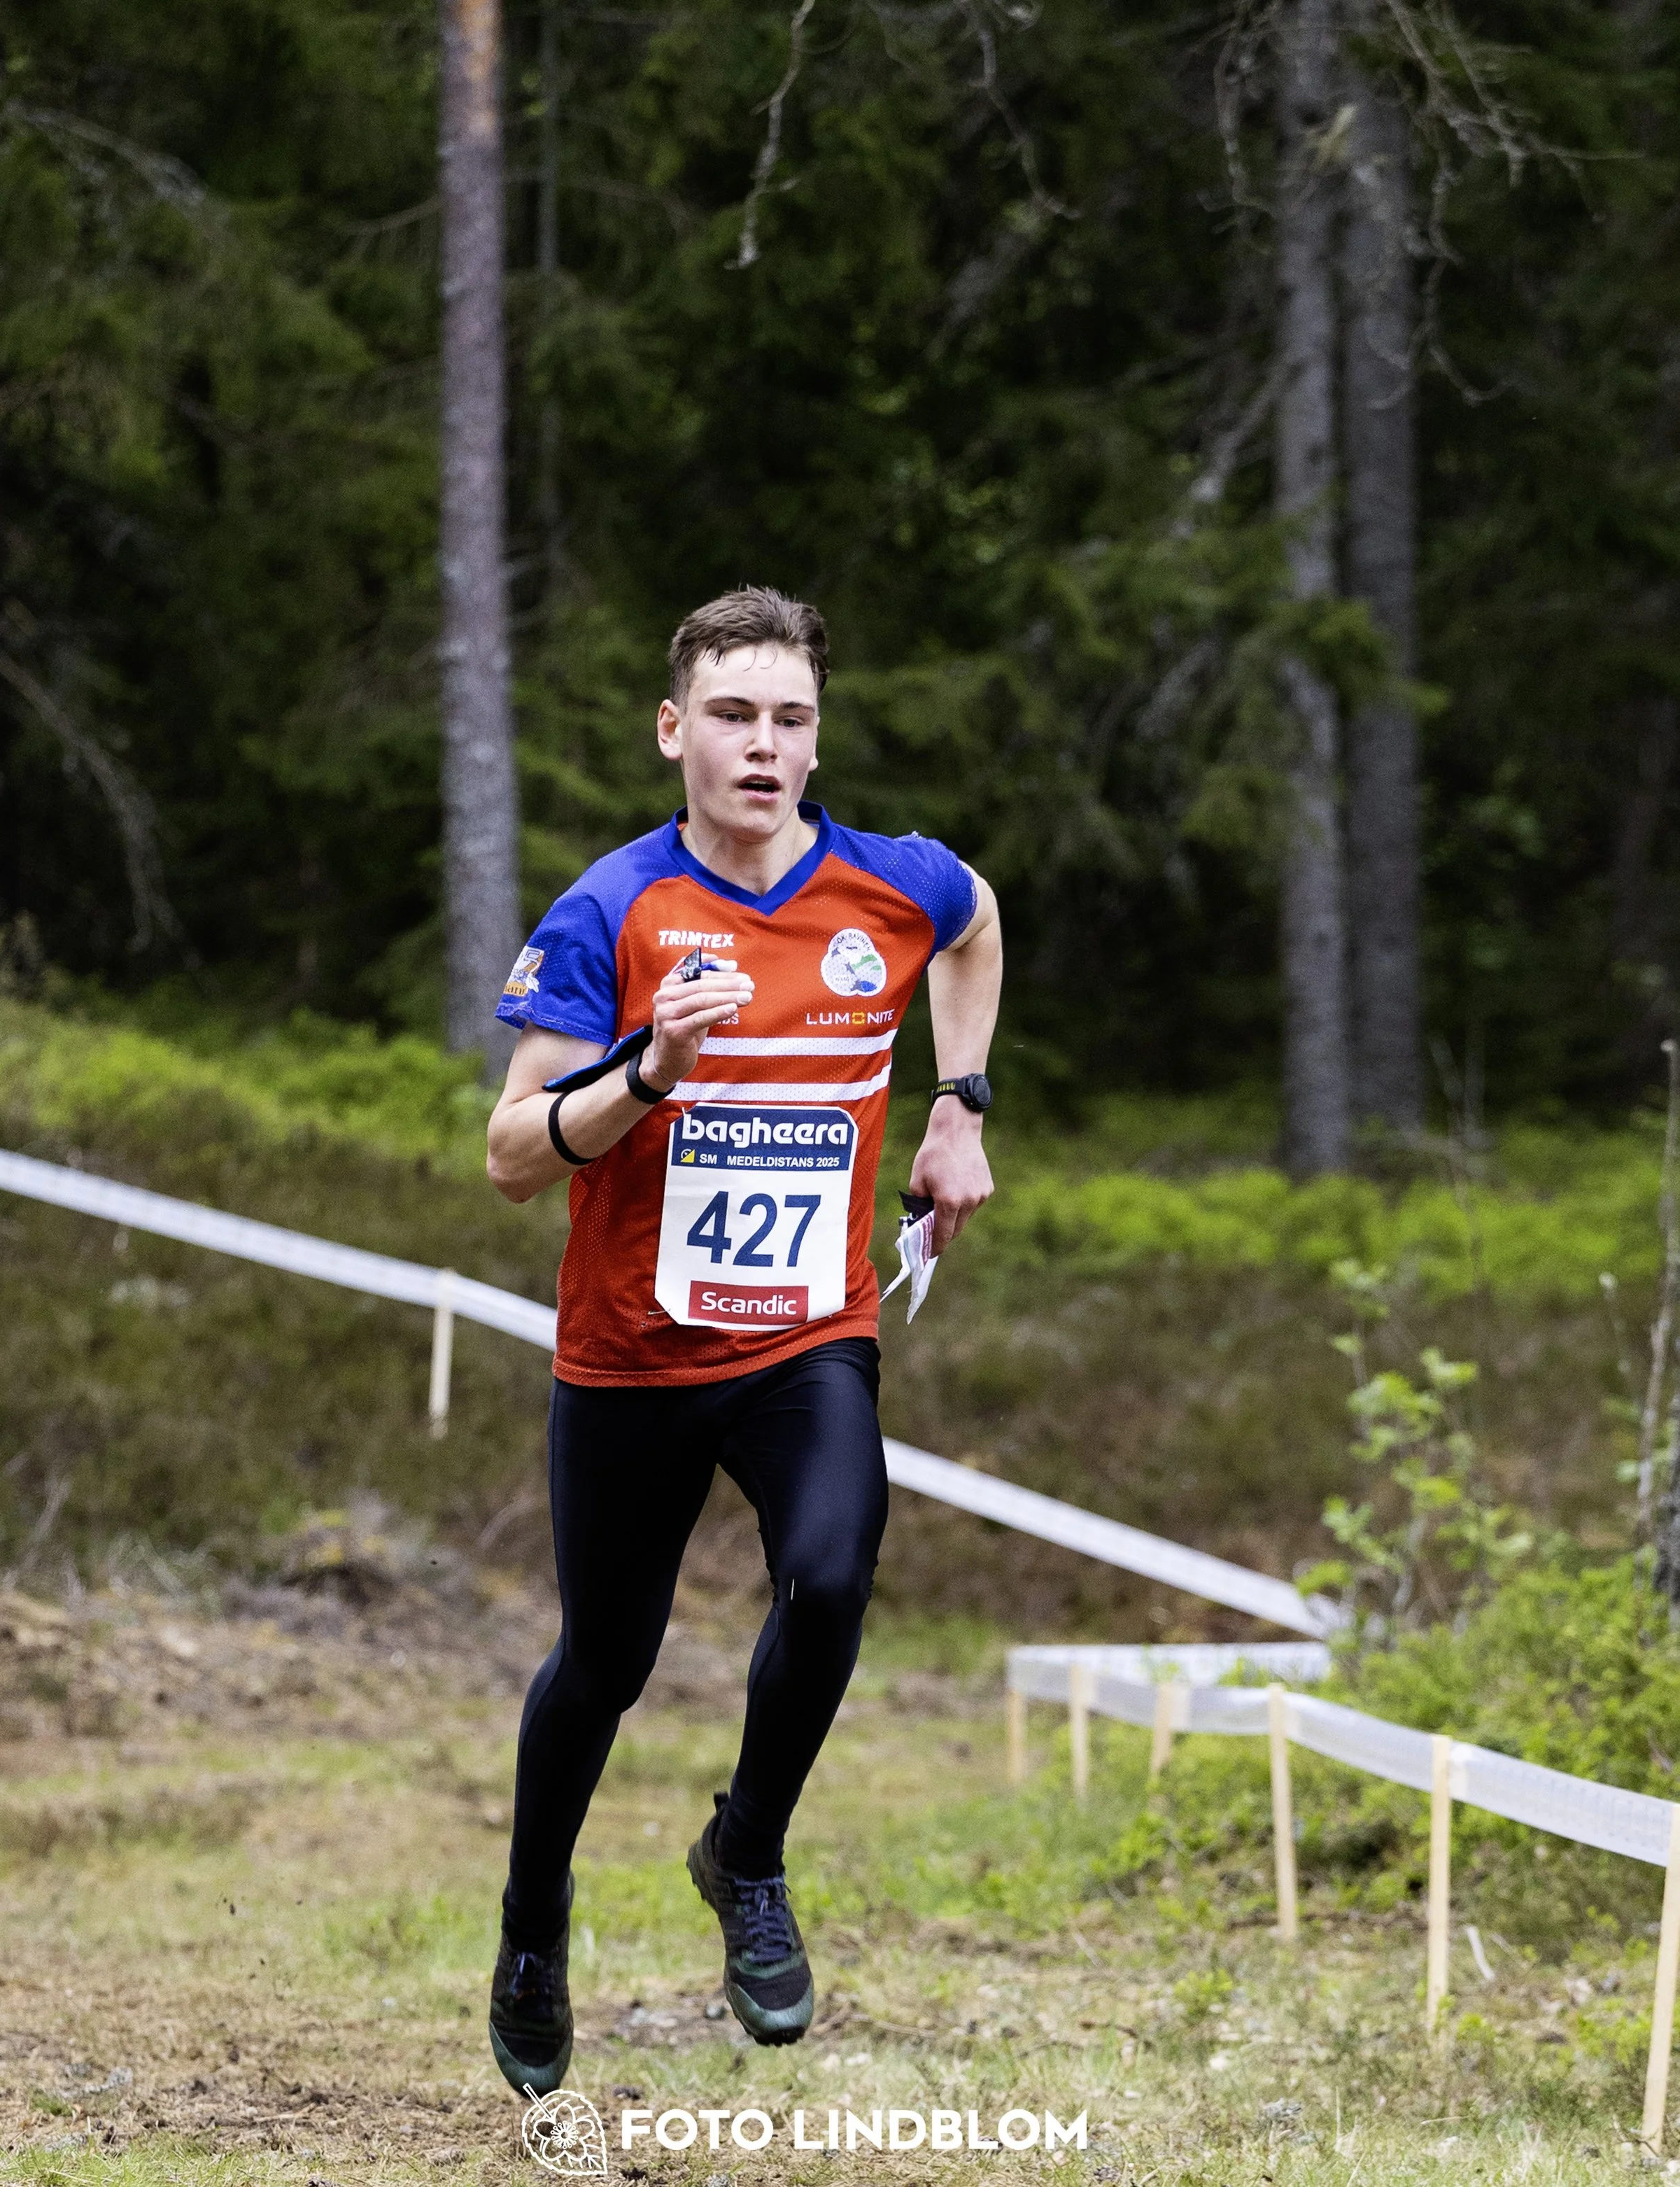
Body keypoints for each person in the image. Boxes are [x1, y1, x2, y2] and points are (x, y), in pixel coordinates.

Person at [481, 584, 1002, 2095]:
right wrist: (647, 1067)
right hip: (631, 1356)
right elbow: (515, 1151)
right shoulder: (610, 908)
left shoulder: (889, 887)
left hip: (805, 1340)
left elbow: (974, 925)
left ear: (814, 735)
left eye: (788, 718)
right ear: (673, 731)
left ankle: (747, 1852)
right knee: (606, 1660)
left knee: (832, 1572)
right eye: (730, 715)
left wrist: (955, 1109)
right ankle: (531, 1924)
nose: (761, 746)